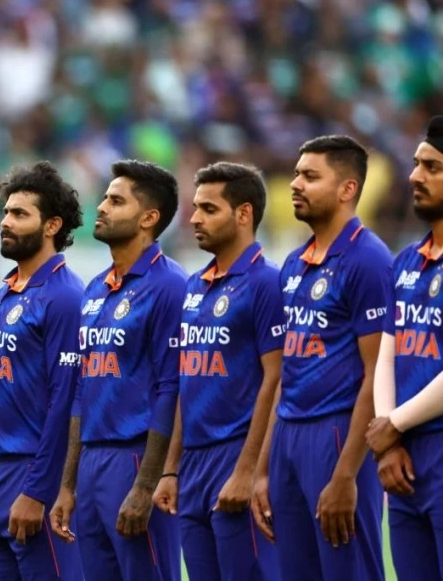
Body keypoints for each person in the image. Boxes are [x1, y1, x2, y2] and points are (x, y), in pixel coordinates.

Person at [252, 136, 391, 580]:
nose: (295, 184)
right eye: (296, 174)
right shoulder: (294, 263)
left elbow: (378, 372)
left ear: (347, 189)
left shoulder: (369, 260)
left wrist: (347, 473)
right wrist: (262, 469)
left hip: (336, 434)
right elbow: (286, 372)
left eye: (310, 176)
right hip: (288, 435)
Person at [0, 161, 84, 581]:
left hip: (30, 473)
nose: (5, 222)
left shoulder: (64, 297)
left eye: (20, 214)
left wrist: (38, 491)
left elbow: (65, 401)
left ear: (51, 225)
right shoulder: (3, 295)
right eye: (6, 212)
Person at [50, 159, 185, 581]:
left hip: (135, 457)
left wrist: (146, 485)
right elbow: (81, 389)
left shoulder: (170, 286)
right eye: (105, 198)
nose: (102, 207)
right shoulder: (95, 288)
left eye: (116, 201)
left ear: (149, 218)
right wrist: (68, 484)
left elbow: (171, 388)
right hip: (91, 463)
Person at [154, 162, 282, 580]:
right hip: (193, 465)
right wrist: (171, 468)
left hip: (235, 453)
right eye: (195, 207)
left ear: (243, 214)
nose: (194, 218)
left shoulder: (267, 283)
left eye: (208, 209)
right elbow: (187, 381)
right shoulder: (194, 286)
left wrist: (248, 471)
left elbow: (276, 379)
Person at [368, 116, 443, 580]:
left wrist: (392, 424)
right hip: (404, 456)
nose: (415, 176)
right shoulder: (406, 261)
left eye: (432, 167)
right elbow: (387, 353)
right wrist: (388, 440)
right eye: (416, 164)